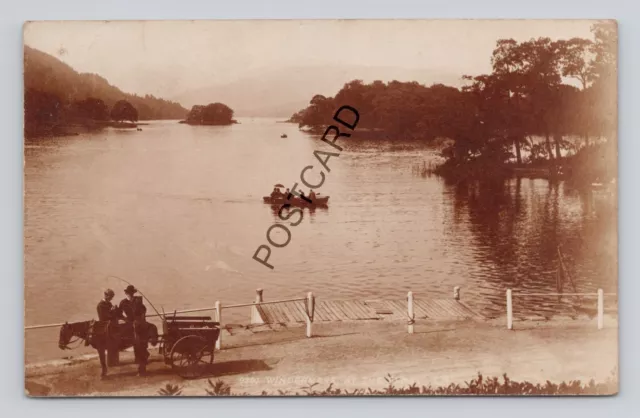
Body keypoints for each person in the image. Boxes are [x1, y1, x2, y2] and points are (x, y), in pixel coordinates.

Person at [119, 285, 149, 376]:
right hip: (129, 323)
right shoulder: (123, 302)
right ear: (126, 293)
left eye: (131, 293)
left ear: (133, 293)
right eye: (128, 293)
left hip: (138, 323)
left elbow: (144, 310)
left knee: (140, 343)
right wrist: (125, 319)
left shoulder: (137, 301)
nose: (129, 294)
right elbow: (119, 313)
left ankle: (142, 364)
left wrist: (140, 319)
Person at [96, 289, 120, 375]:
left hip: (111, 325)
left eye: (111, 297)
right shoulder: (100, 305)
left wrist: (115, 310)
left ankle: (114, 360)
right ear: (106, 296)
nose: (111, 299)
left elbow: (112, 315)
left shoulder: (108, 304)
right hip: (104, 326)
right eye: (110, 297)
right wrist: (112, 311)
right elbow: (104, 317)